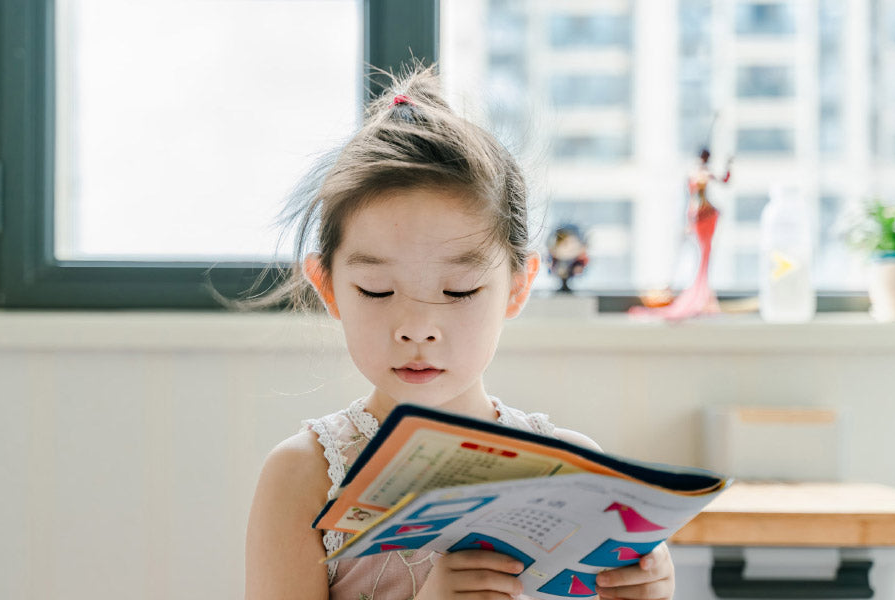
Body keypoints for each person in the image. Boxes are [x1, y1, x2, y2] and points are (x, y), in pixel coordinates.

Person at [244, 65, 675, 600]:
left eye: (460, 291)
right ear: (327, 286)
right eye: (377, 290)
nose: (418, 328)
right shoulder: (304, 477)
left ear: (518, 288)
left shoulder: (573, 470)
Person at [630, 147, 732, 321]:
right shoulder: (698, 175)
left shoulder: (699, 174)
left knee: (704, 255)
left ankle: (703, 295)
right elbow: (704, 190)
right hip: (700, 215)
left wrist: (728, 167)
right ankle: (698, 295)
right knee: (701, 256)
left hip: (702, 215)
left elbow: (723, 180)